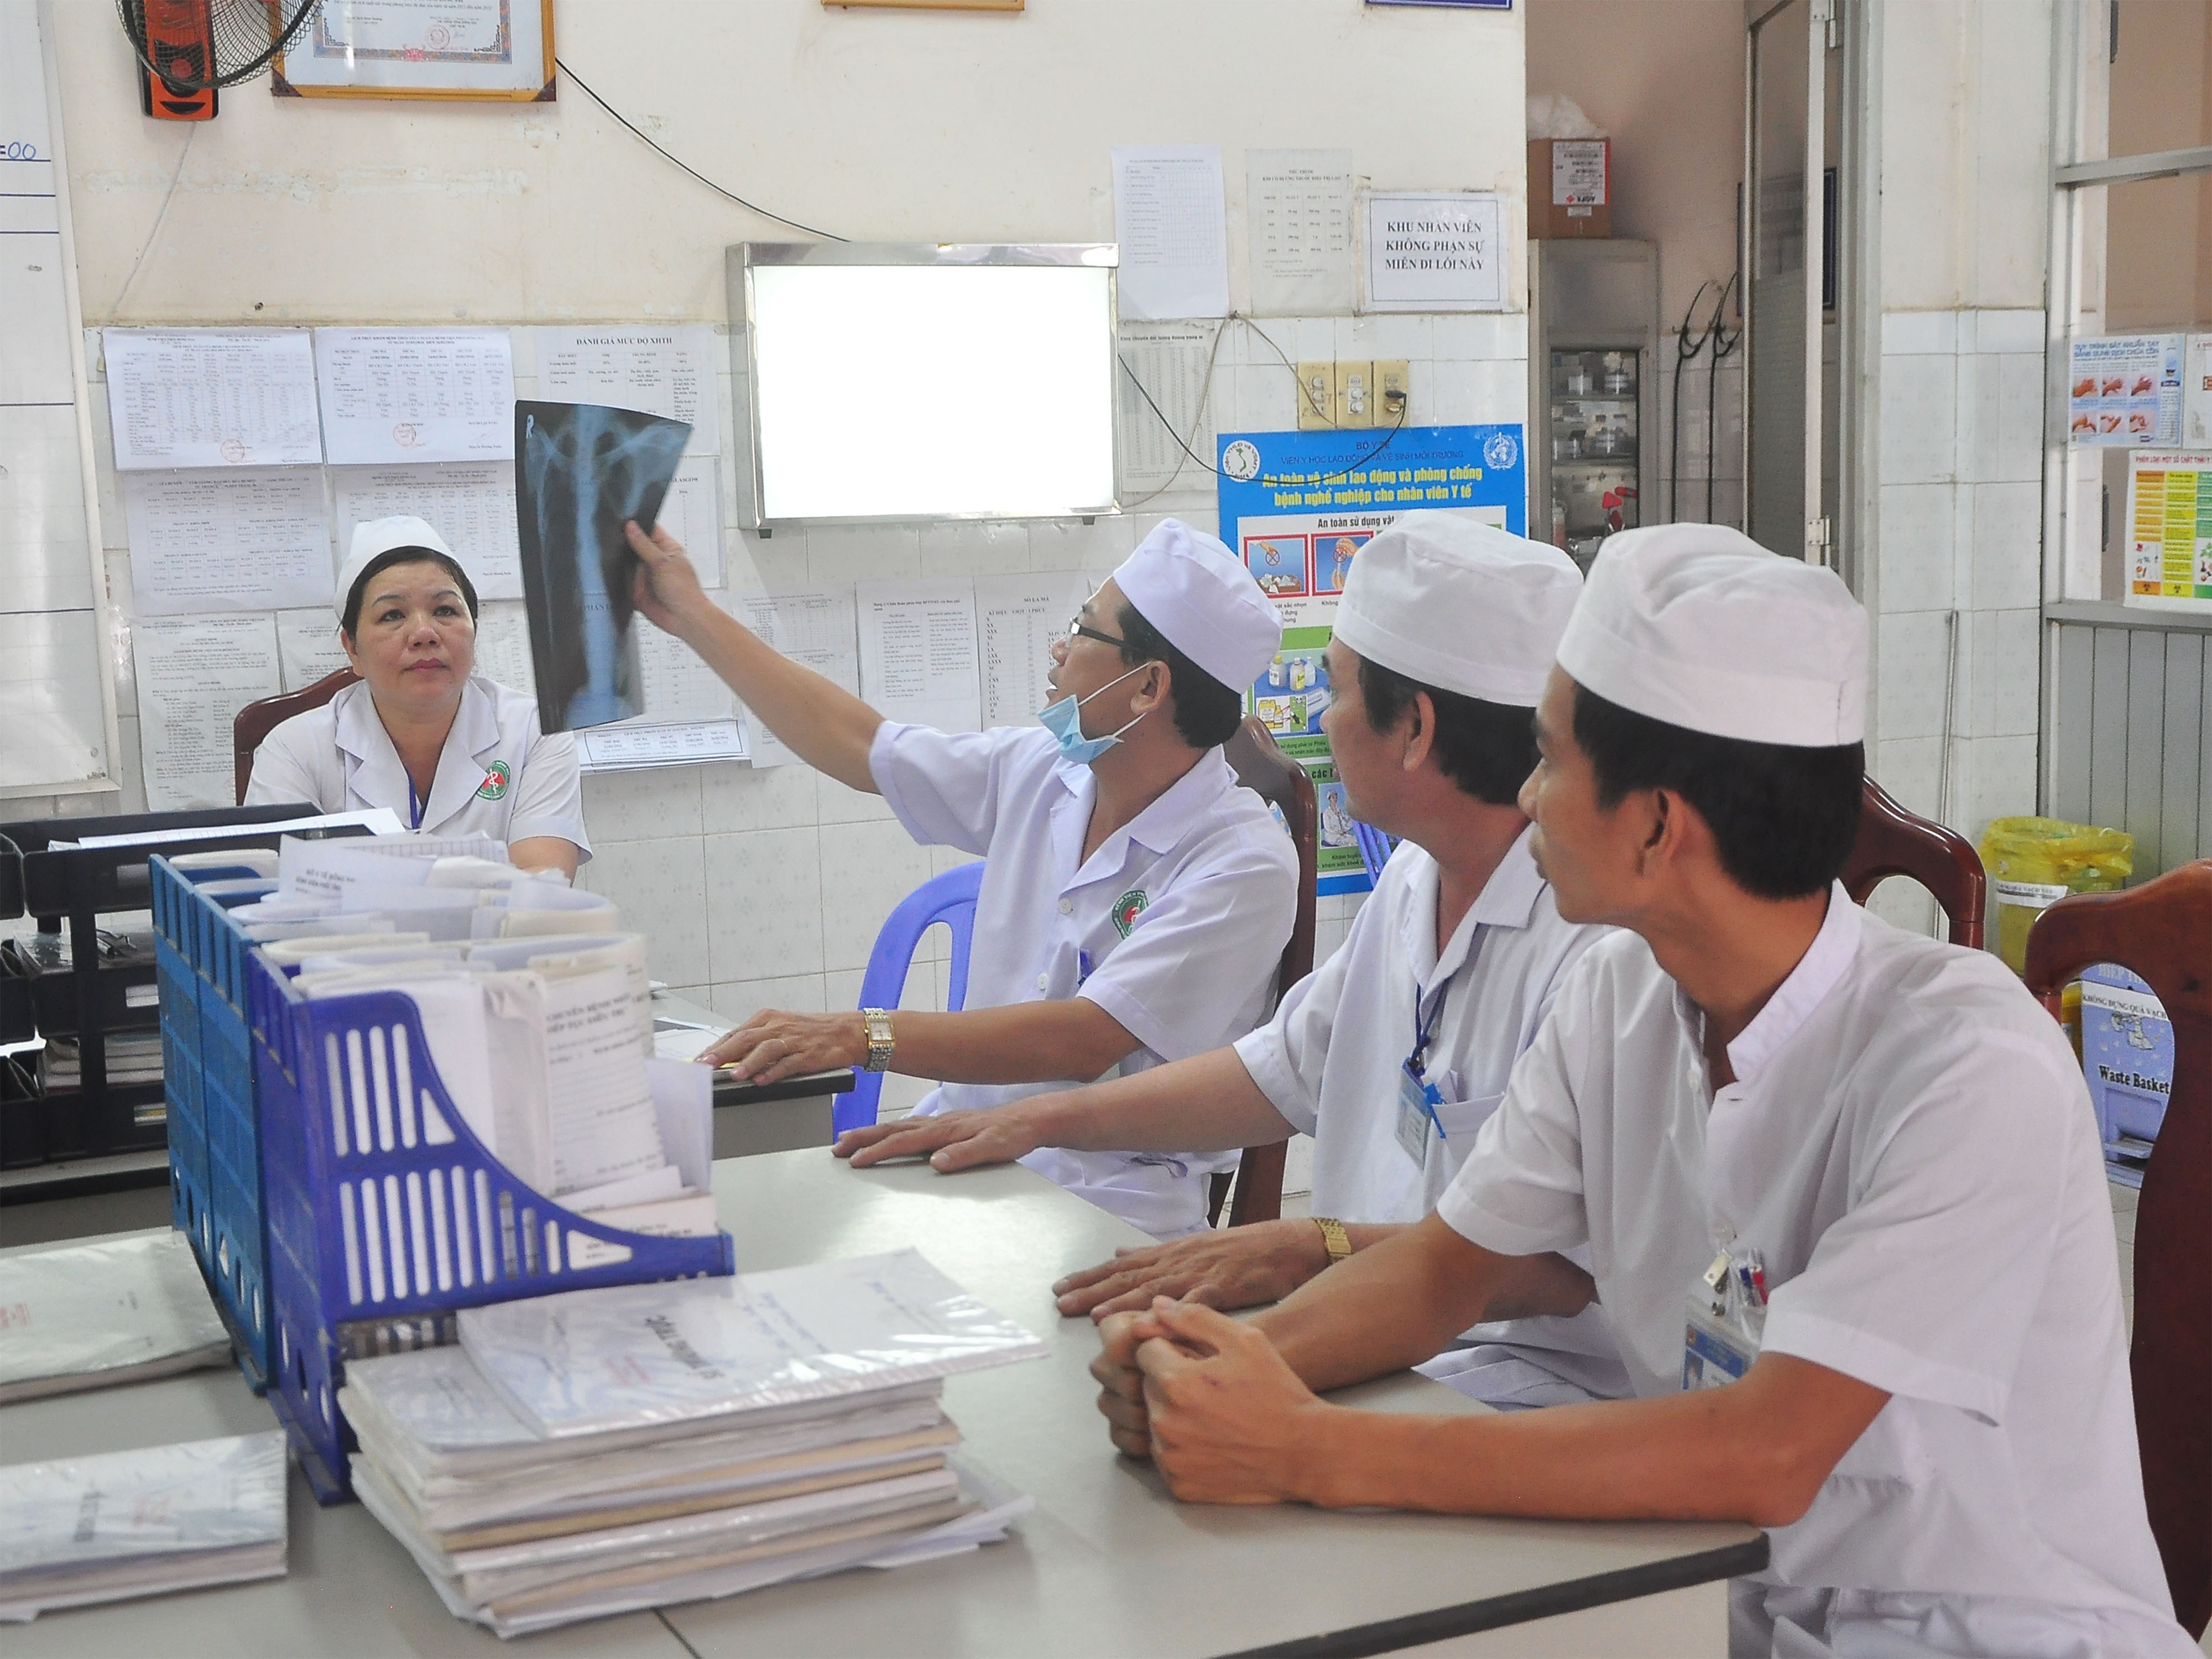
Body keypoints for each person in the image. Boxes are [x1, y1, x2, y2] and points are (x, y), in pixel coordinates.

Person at [1088, 524, 2197, 1659]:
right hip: (1709, 1602)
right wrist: (1231, 1374)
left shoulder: (1968, 1065)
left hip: (1984, 1637)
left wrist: (1309, 1451)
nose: (1524, 794)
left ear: (1659, 825)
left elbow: (1765, 1452)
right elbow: (1446, 1268)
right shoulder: (1620, 997)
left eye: (1552, 760)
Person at [834, 513, 1631, 1411]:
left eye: (1334, 689)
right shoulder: (1413, 884)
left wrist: (1307, 1251)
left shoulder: (1593, 954)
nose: (1318, 724)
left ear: (1414, 729)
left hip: (1519, 1384)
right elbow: (1277, 1069)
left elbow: (1565, 1268)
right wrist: (1036, 1123)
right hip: (1377, 1334)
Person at [629, 517, 1299, 1239]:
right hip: (969, 1153)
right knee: (759, 1233)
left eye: (1082, 629)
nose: (1059, 649)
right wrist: (691, 615)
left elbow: (1080, 1041)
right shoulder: (1047, 771)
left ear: (1147, 688)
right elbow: (863, 748)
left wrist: (864, 1035)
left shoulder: (1241, 862)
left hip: (1108, 1202)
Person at [247, 517, 588, 877]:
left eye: (445, 610)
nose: (424, 633)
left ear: (473, 629)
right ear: (353, 650)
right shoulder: (295, 748)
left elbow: (541, 887)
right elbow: (277, 894)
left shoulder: (537, 731)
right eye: (392, 615)